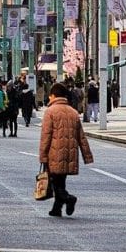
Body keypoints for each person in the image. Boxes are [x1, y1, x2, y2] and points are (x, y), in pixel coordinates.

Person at [39, 83, 94, 217]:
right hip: (70, 154)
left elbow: (46, 136)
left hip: (54, 153)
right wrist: (87, 156)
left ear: (53, 95)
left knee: (54, 181)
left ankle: (69, 198)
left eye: (50, 96)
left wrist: (43, 156)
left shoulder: (50, 112)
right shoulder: (73, 112)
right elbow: (81, 136)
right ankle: (57, 209)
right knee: (60, 181)